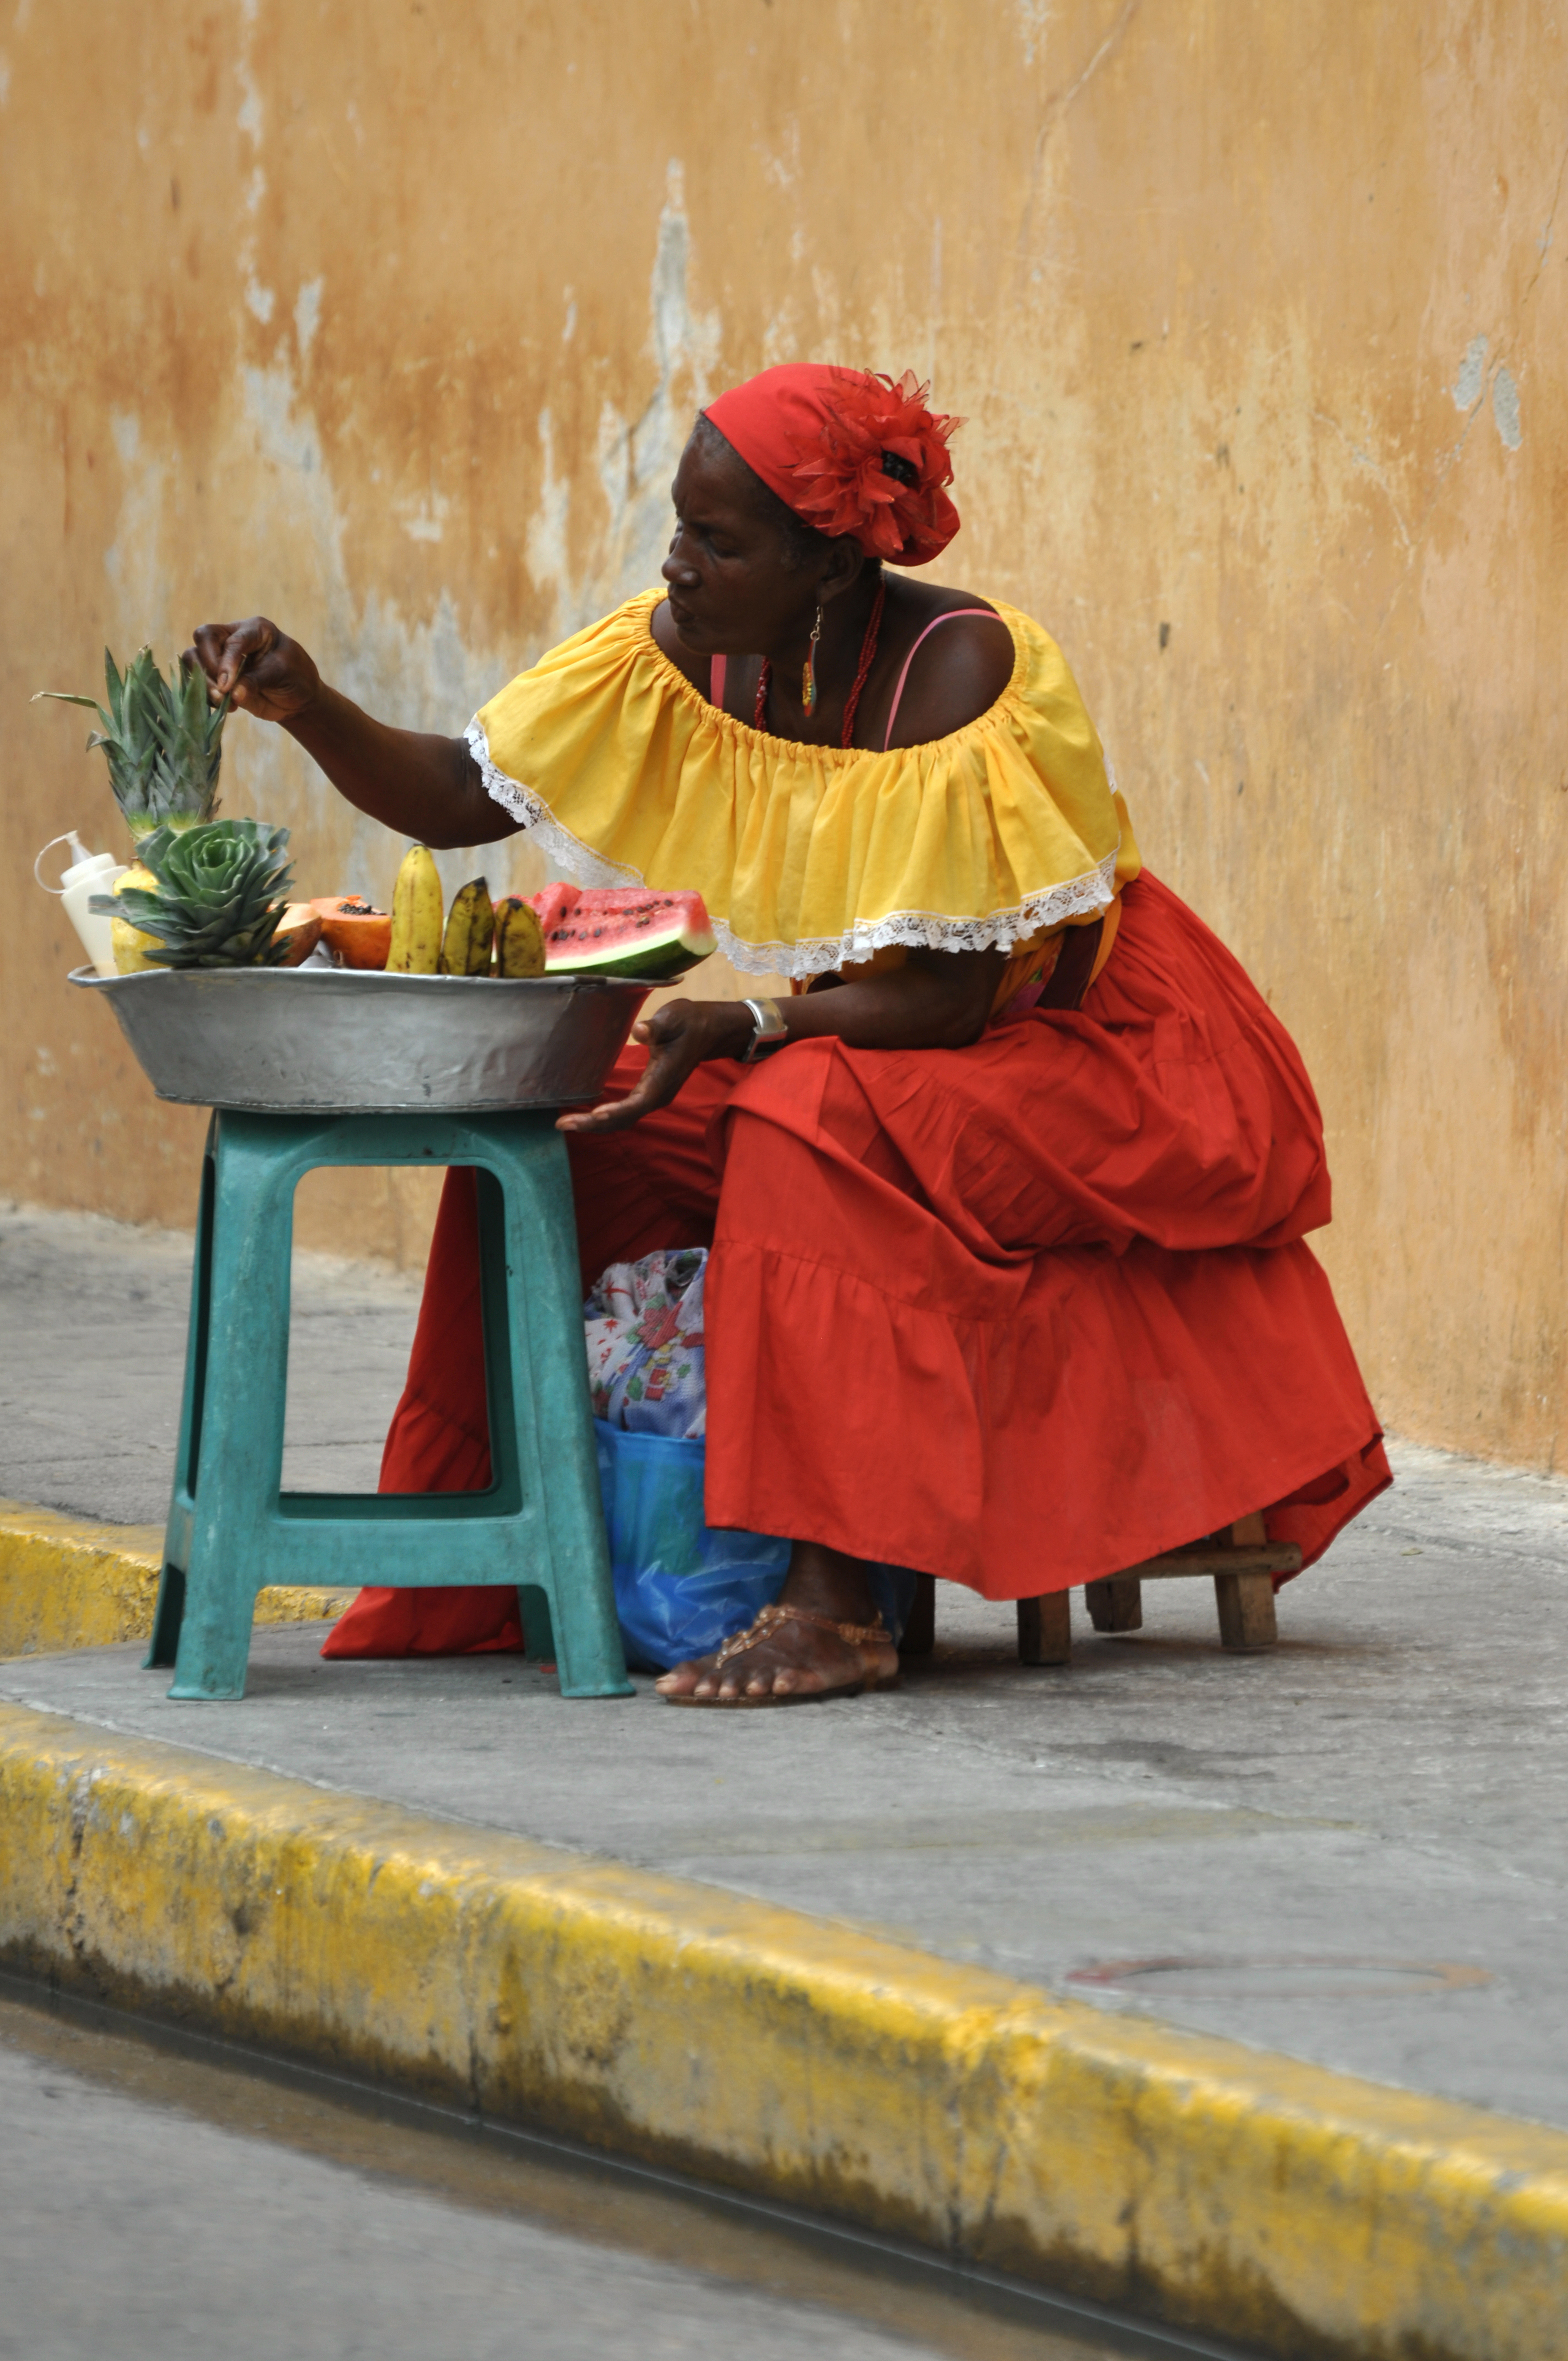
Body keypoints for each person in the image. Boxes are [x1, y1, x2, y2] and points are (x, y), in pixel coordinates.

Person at [191, 362, 1389, 1707]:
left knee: (799, 1110)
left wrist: (758, 1019)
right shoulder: (684, 646)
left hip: (1086, 1052)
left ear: (825, 568)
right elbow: (463, 795)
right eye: (679, 527)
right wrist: (308, 703)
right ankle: (508, 1558)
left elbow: (952, 996)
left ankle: (832, 1604)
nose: (678, 565)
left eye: (718, 540)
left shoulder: (962, 671)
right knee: (589, 1112)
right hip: (886, 1037)